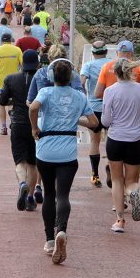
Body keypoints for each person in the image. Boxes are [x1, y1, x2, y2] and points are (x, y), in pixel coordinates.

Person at [29, 59, 98, 264]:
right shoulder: (79, 96)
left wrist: (34, 128)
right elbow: (94, 123)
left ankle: (50, 240)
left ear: (51, 77)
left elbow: (33, 108)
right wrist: (76, 119)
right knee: (63, 195)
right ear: (71, 77)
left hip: (46, 151)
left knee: (49, 194)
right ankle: (62, 230)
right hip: (68, 153)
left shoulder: (46, 92)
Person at [101, 59, 140, 233]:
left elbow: (106, 120)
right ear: (131, 72)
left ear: (115, 73)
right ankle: (133, 192)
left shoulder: (109, 91)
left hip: (115, 139)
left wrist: (116, 121)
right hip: (134, 140)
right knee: (131, 181)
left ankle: (119, 221)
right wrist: (137, 119)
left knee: (117, 181)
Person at [0, 50, 40, 212]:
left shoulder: (11, 78)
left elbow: (2, 100)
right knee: (33, 163)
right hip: (35, 125)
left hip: (17, 123)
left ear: (22, 63)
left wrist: (16, 101)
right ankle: (30, 198)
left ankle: (22, 183)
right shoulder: (41, 79)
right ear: (37, 63)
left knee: (19, 161)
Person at [80, 41, 111, 187]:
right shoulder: (112, 64)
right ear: (106, 52)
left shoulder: (88, 65)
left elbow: (81, 83)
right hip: (111, 108)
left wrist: (85, 96)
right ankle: (111, 167)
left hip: (94, 108)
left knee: (94, 141)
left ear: (93, 53)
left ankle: (95, 175)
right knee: (111, 141)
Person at [0, 33, 23, 135]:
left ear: (2, 41)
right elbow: (23, 64)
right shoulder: (17, 50)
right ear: (11, 40)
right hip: (15, 81)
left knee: (2, 104)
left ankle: (3, 127)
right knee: (13, 104)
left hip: (1, 82)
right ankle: (14, 124)